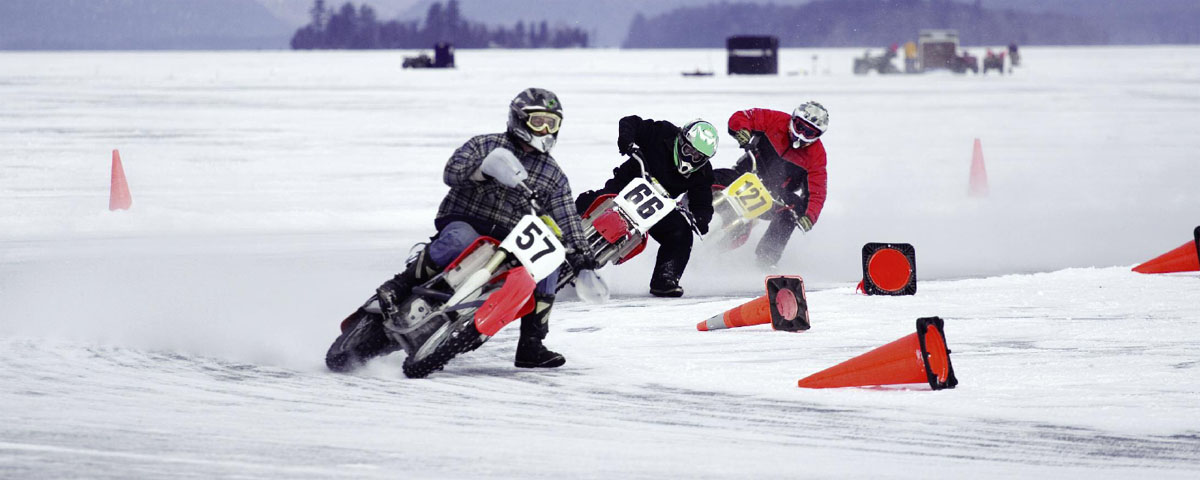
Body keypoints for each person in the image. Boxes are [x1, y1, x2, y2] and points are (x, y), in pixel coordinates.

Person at [375, 87, 598, 369]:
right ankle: (399, 285)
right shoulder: (486, 145)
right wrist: (481, 171)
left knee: (549, 266)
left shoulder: (553, 174)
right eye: (538, 121)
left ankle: (532, 344)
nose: (544, 130)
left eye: (551, 123)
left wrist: (581, 253)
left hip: (512, 238)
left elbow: (567, 215)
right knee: (460, 238)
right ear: (519, 119)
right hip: (467, 219)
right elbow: (451, 173)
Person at [575, 116, 718, 297]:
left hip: (657, 210)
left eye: (698, 156)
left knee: (681, 234)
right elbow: (630, 122)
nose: (691, 157)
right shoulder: (662, 132)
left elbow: (703, 203)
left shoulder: (703, 173)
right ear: (681, 140)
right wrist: (627, 142)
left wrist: (700, 219)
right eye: (688, 150)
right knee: (587, 201)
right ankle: (560, 238)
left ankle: (665, 279)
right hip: (622, 188)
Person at [716, 101, 828, 269]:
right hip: (744, 175)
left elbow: (818, 190)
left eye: (810, 132)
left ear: (817, 135)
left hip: (774, 197)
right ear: (793, 119)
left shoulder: (817, 155)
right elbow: (742, 117)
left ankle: (766, 259)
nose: (802, 135)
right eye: (800, 127)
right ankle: (685, 211)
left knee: (795, 207)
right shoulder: (774, 119)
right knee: (709, 176)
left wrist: (810, 216)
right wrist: (742, 130)